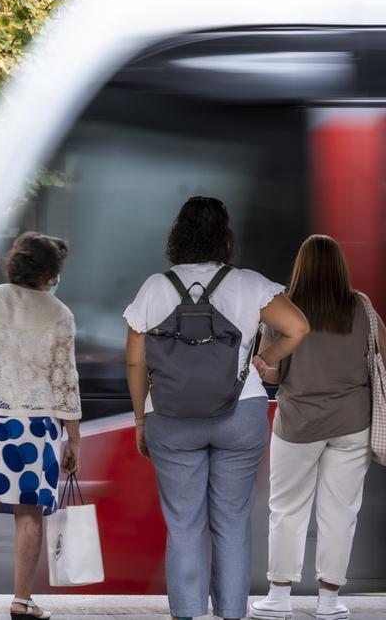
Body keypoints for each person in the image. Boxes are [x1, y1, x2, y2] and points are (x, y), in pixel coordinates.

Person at [124, 196, 310, 620]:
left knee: (184, 524)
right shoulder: (250, 283)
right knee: (231, 520)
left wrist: (140, 417)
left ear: (178, 235)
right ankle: (230, 611)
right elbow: (299, 327)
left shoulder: (155, 286)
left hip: (169, 418)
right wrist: (267, 358)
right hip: (240, 413)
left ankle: (187, 612)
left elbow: (136, 361)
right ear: (225, 236)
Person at [0, 232, 82, 620]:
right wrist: (73, 436)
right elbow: (64, 381)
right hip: (34, 422)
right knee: (29, 511)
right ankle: (21, 601)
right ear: (52, 272)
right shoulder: (60, 314)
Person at [250, 235, 385, 620]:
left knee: (287, 509)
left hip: (298, 424)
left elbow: (271, 372)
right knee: (340, 512)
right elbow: (382, 358)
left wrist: (267, 362)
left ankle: (279, 597)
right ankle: (329, 600)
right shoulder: (361, 306)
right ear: (340, 267)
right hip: (352, 423)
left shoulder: (284, 310)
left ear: (301, 267)